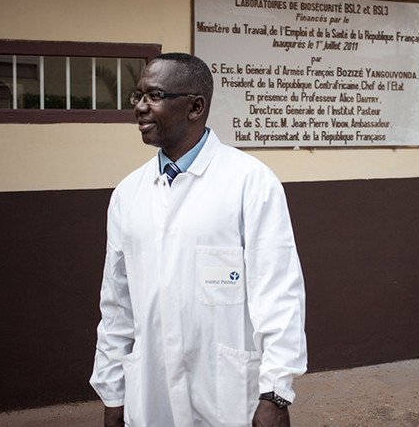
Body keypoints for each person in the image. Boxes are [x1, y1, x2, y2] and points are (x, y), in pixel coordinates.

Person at [89, 53, 307, 427]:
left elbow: (279, 295)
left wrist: (275, 392)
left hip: (226, 396)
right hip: (151, 393)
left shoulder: (250, 183)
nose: (140, 108)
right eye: (137, 96)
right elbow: (117, 305)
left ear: (195, 107)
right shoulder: (128, 194)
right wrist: (113, 392)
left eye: (154, 95)